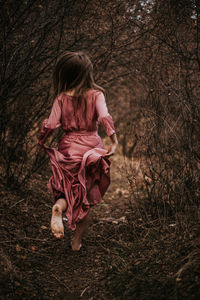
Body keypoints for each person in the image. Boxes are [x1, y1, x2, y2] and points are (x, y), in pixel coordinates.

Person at [38, 51, 118, 251]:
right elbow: (104, 117)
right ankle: (76, 242)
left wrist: (42, 141)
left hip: (68, 151)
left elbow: (51, 124)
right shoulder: (97, 95)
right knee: (85, 198)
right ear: (87, 73)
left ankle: (59, 208)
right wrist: (113, 140)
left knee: (68, 189)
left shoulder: (61, 98)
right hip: (89, 151)